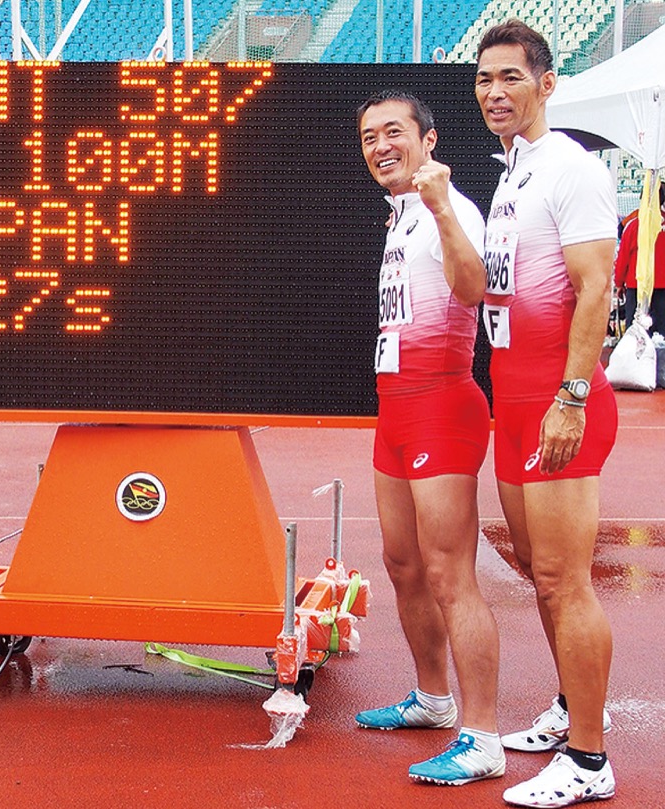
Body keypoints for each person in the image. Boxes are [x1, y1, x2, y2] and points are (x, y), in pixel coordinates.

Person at [475, 19, 618, 807]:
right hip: (515, 398)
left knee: (566, 580)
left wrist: (570, 397)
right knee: (540, 574)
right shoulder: (513, 173)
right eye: (485, 80)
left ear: (547, 84)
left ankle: (591, 762)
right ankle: (573, 710)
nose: (496, 92)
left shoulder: (568, 166)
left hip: (559, 401)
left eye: (511, 78)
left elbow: (595, 289)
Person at [352, 91, 503, 786]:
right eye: (369, 137)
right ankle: (434, 699)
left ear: (429, 140)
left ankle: (483, 737)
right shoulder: (398, 214)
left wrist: (442, 206)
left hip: (442, 405)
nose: (381, 145)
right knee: (403, 564)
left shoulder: (451, 207)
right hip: (396, 410)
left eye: (394, 132)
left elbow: (473, 289)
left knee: (449, 574)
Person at [614, 184, 665, 335]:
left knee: (635, 333)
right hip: (661, 288)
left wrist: (619, 283)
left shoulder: (633, 225)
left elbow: (623, 257)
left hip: (636, 286)